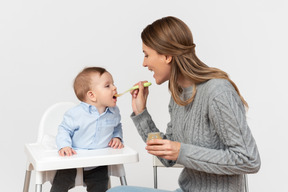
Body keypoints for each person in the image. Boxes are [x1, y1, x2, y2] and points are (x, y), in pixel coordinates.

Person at [107, 16, 261, 192]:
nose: (144, 63)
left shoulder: (218, 91)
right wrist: (141, 113)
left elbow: (249, 160)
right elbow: (169, 158)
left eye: (147, 55)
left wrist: (182, 151)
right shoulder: (178, 94)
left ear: (166, 56)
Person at [50, 67, 124, 192]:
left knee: (100, 184)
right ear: (92, 95)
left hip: (98, 162)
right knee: (61, 183)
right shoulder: (76, 114)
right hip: (73, 158)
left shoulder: (114, 112)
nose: (114, 88)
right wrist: (64, 146)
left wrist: (117, 137)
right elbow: (64, 130)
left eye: (113, 84)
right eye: (107, 86)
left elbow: (117, 126)